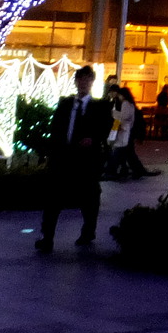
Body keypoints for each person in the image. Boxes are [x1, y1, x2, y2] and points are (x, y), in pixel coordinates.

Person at [38, 66, 112, 253]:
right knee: (53, 198)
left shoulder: (100, 106)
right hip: (63, 158)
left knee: (89, 197)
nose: (83, 84)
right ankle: (47, 237)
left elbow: (106, 128)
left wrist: (93, 139)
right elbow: (55, 128)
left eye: (87, 80)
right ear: (76, 82)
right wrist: (52, 152)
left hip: (87, 161)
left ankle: (88, 230)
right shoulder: (65, 104)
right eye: (81, 80)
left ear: (92, 83)